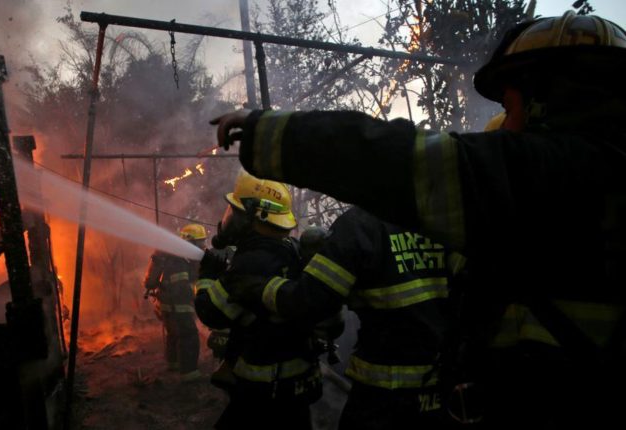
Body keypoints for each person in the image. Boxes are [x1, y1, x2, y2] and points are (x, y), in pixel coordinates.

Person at [210, 11, 626, 428]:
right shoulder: (583, 180)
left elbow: (400, 164)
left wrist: (271, 134)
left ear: (544, 97)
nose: (507, 126)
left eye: (508, 104)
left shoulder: (549, 172)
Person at [228, 205, 454, 430]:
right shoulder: (448, 221)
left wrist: (259, 287)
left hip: (384, 397)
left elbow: (310, 301)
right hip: (447, 391)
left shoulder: (360, 226)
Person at [194, 171, 328, 430]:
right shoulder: (291, 248)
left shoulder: (251, 262)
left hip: (263, 390)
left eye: (236, 212)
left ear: (255, 217)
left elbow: (211, 313)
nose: (230, 219)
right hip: (298, 382)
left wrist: (207, 277)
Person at [143, 223, 206, 382]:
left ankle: (173, 363)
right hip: (178, 305)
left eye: (203, 241)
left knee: (173, 334)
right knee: (188, 335)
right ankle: (189, 374)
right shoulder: (179, 261)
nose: (203, 245)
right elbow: (181, 288)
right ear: (190, 242)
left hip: (167, 305)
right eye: (200, 241)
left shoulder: (177, 256)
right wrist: (197, 298)